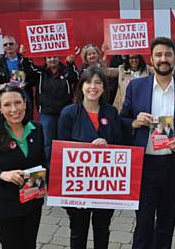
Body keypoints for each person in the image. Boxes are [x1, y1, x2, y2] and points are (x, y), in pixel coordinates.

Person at [120, 37, 175, 249]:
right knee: (143, 223)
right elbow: (122, 120)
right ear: (151, 59)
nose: (163, 59)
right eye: (158, 55)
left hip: (172, 166)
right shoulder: (136, 87)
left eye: (167, 54)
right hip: (144, 165)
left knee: (166, 223)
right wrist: (135, 122)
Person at [58, 66, 124, 249]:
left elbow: (120, 146)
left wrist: (108, 146)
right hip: (78, 185)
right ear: (81, 86)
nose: (92, 87)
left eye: (98, 82)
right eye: (88, 82)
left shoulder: (111, 112)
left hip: (104, 185)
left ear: (104, 87)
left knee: (102, 229)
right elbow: (60, 152)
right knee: (78, 231)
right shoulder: (69, 113)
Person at [0, 84, 45, 249]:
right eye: (7, 105)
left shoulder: (37, 129)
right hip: (5, 209)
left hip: (33, 204)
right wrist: (1, 175)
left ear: (25, 103)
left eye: (18, 102)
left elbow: (42, 162)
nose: (14, 109)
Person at [34, 55, 78, 163]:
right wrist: (25, 57)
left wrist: (71, 63)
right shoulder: (40, 72)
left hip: (64, 112)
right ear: (45, 59)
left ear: (59, 58)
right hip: (46, 113)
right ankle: (49, 167)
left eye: (55, 57)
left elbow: (75, 77)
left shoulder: (66, 70)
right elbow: (28, 71)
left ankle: (65, 166)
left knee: (65, 141)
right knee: (48, 142)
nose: (52, 59)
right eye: (49, 57)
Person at [0, 35, 36, 115]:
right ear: (2, 48)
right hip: (6, 95)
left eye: (11, 44)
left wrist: (26, 84)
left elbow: (34, 78)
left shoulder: (25, 59)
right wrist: (3, 86)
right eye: (5, 44)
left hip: (23, 93)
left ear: (16, 46)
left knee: (26, 118)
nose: (8, 46)